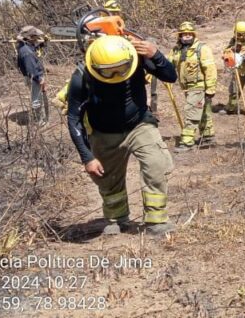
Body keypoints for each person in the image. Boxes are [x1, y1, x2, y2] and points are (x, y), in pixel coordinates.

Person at [65, 34, 177, 236]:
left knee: (157, 164)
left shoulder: (137, 58)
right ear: (96, 66)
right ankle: (117, 218)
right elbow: (74, 119)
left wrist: (157, 55)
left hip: (139, 124)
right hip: (104, 133)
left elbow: (171, 76)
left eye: (122, 67)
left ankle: (156, 219)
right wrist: (87, 157)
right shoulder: (82, 77)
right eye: (109, 71)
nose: (116, 74)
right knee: (108, 179)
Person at [169, 22, 217, 151]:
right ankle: (208, 136)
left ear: (194, 35)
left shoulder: (202, 49)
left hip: (199, 86)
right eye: (184, 34)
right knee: (202, 111)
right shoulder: (176, 50)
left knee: (191, 112)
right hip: (186, 87)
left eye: (189, 34)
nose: (187, 36)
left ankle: (187, 141)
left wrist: (211, 89)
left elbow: (210, 69)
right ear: (180, 36)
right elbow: (168, 64)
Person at [220, 21, 245, 117]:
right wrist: (232, 50)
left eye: (242, 34)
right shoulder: (234, 40)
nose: (241, 36)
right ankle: (231, 108)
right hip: (238, 69)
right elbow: (226, 50)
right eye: (238, 34)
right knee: (234, 90)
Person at [16, 25, 48, 126]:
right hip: (33, 78)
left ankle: (38, 118)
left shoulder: (25, 46)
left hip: (32, 76)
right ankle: (38, 121)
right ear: (30, 37)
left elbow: (33, 48)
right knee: (37, 99)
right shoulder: (26, 52)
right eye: (35, 36)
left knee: (37, 98)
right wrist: (39, 79)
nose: (37, 38)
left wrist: (42, 44)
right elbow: (31, 69)